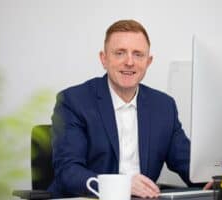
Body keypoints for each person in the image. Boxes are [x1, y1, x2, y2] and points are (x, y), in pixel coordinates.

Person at [48, 19, 205, 198]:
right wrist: (122, 186)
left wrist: (217, 180)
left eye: (138, 54)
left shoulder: (164, 106)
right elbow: (68, 171)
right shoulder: (74, 101)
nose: (129, 62)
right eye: (120, 53)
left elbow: (188, 164)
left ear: (148, 61)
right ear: (104, 59)